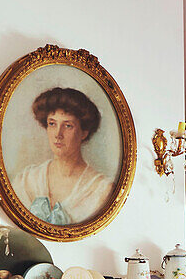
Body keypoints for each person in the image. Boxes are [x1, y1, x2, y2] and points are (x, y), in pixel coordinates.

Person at [14, 87, 112, 226]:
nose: (58, 134)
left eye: (68, 126)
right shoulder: (27, 180)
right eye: (52, 124)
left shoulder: (100, 190)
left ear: (84, 132)